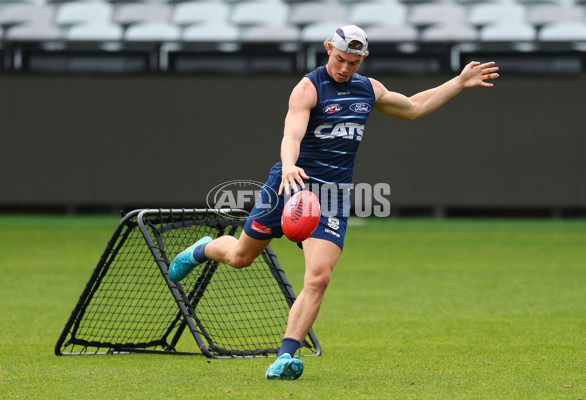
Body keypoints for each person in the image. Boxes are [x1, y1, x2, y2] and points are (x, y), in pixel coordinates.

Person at [168, 25, 499, 380]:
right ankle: (203, 249)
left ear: (363, 59)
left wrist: (458, 83)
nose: (345, 68)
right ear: (328, 48)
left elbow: (414, 107)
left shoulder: (368, 89)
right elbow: (291, 133)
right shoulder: (309, 88)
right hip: (288, 186)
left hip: (331, 198)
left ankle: (285, 356)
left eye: (354, 62)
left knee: (319, 277)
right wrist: (291, 165)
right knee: (240, 258)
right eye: (340, 59)